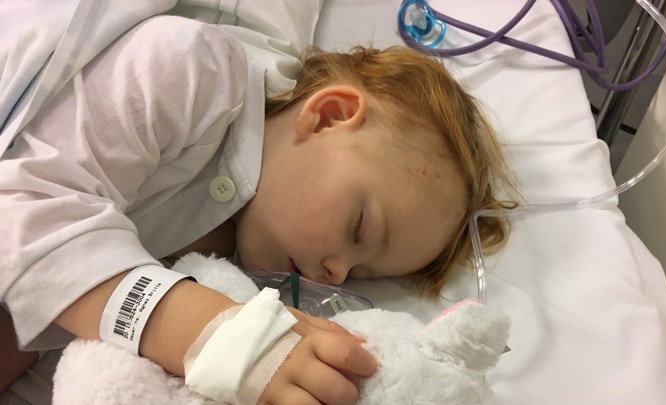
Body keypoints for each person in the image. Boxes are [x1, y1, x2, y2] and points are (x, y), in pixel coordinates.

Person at [0, 14, 512, 404]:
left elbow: (54, 309)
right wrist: (223, 337)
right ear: (327, 115)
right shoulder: (192, 70)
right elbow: (25, 207)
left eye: (360, 274)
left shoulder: (241, 265)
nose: (335, 275)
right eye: (358, 228)